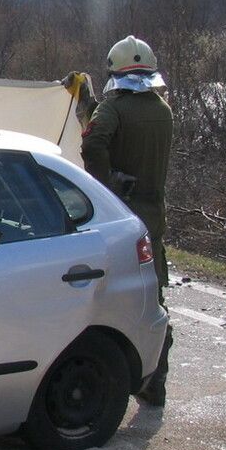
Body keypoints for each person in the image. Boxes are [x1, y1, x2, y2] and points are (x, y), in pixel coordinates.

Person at [81, 34, 173, 405]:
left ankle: (104, 376)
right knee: (154, 295)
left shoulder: (114, 107)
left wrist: (104, 183)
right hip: (154, 215)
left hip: (120, 214)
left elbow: (92, 144)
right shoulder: (163, 110)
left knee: (103, 292)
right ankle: (157, 380)